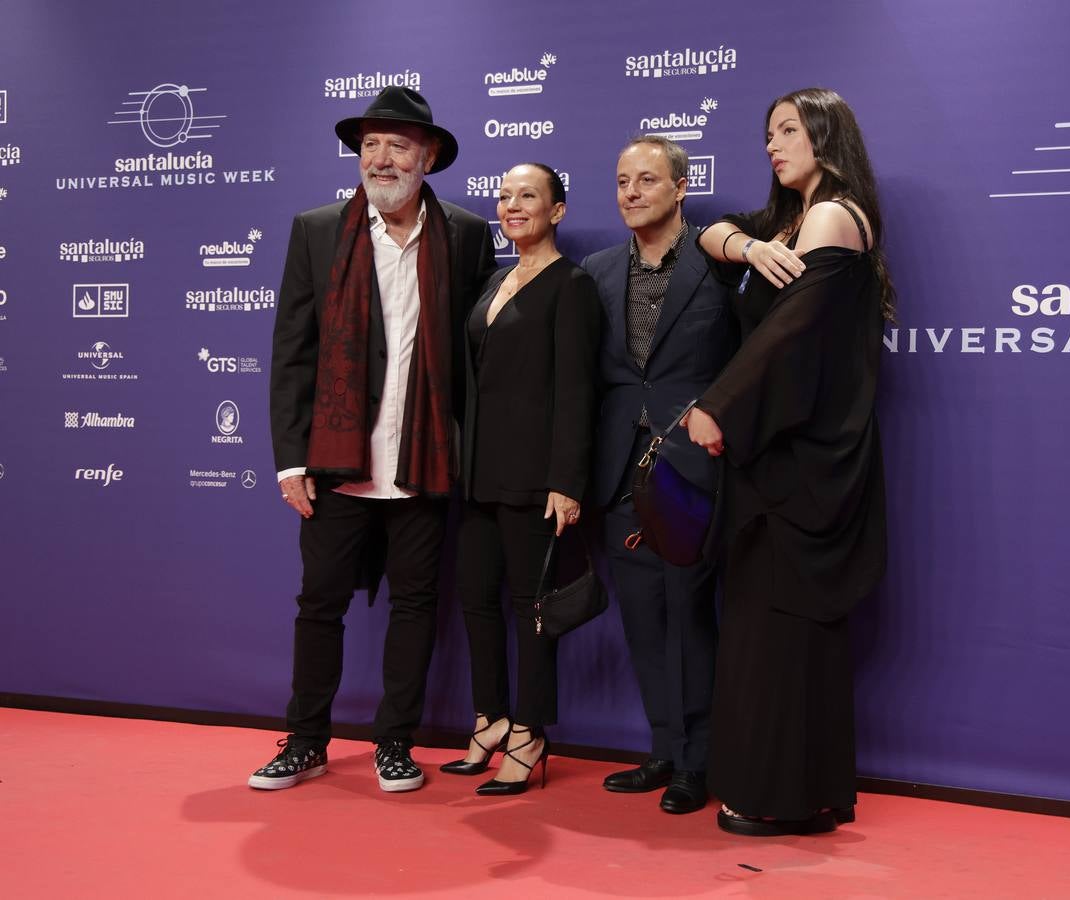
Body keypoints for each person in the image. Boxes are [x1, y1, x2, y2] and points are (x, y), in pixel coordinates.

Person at [251, 87, 495, 793]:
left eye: (396, 145)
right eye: (369, 146)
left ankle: (395, 743)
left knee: (416, 605)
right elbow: (292, 352)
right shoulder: (317, 230)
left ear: (429, 157)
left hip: (425, 457)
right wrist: (290, 459)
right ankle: (305, 740)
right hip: (336, 461)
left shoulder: (465, 235)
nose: (380, 159)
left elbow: (476, 359)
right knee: (319, 604)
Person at [688, 88, 894, 835]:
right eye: (767, 132)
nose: (772, 145)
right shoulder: (787, 222)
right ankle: (794, 791)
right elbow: (708, 233)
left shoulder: (833, 216)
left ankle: (780, 795)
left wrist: (719, 405)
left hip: (802, 462)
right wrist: (750, 247)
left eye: (786, 130)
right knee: (764, 626)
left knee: (782, 628)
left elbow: (792, 336)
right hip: (774, 454)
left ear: (824, 136)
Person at [580, 136, 735, 815]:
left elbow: (747, 360)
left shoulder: (719, 262)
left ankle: (699, 762)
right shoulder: (596, 270)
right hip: (618, 470)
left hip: (690, 471)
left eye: (646, 179)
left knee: (690, 618)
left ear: (680, 187)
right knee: (643, 620)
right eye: (622, 181)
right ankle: (664, 751)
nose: (631, 192)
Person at [439, 162, 602, 795]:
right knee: (476, 599)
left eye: (527, 196)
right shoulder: (493, 281)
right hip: (479, 474)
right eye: (504, 196)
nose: (511, 206)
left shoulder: (572, 286)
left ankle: (530, 732)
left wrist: (567, 481)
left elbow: (577, 392)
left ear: (556, 210)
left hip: (536, 479)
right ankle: (491, 720)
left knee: (533, 611)